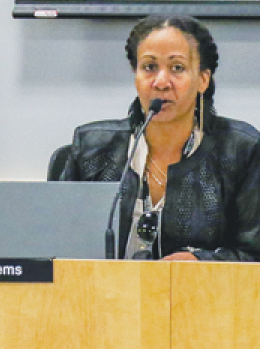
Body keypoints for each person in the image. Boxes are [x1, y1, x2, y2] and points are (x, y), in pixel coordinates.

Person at [61, 15, 260, 261]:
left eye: (177, 68)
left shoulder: (241, 150)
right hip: (103, 296)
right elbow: (59, 248)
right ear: (136, 76)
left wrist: (202, 263)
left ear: (203, 80)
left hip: (200, 296)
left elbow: (253, 253)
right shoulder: (91, 149)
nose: (161, 82)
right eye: (149, 67)